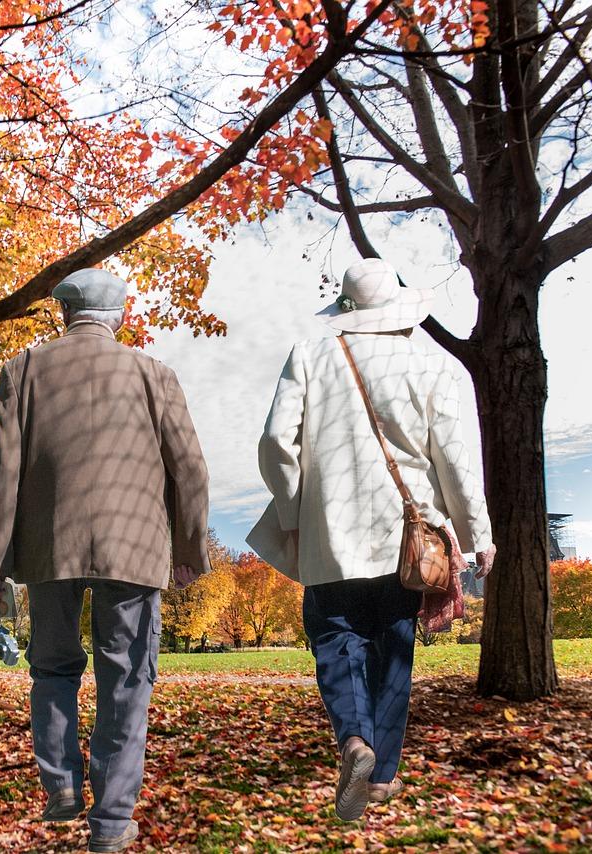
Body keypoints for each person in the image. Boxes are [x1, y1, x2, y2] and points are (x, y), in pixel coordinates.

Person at [248, 258, 495, 821]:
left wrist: (294, 513)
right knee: (393, 650)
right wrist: (478, 533)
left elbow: (273, 442)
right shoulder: (429, 366)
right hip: (406, 541)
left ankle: (354, 741)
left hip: (329, 535)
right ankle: (381, 776)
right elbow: (454, 460)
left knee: (335, 639)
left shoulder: (310, 356)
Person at [0, 268, 211, 854]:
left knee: (52, 667)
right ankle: (110, 820)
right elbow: (189, 469)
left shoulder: (24, 370)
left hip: (48, 547)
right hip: (133, 546)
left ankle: (60, 786)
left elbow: (5, 472)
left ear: (65, 314)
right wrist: (188, 549)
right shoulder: (153, 373)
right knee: (127, 678)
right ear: (119, 316)